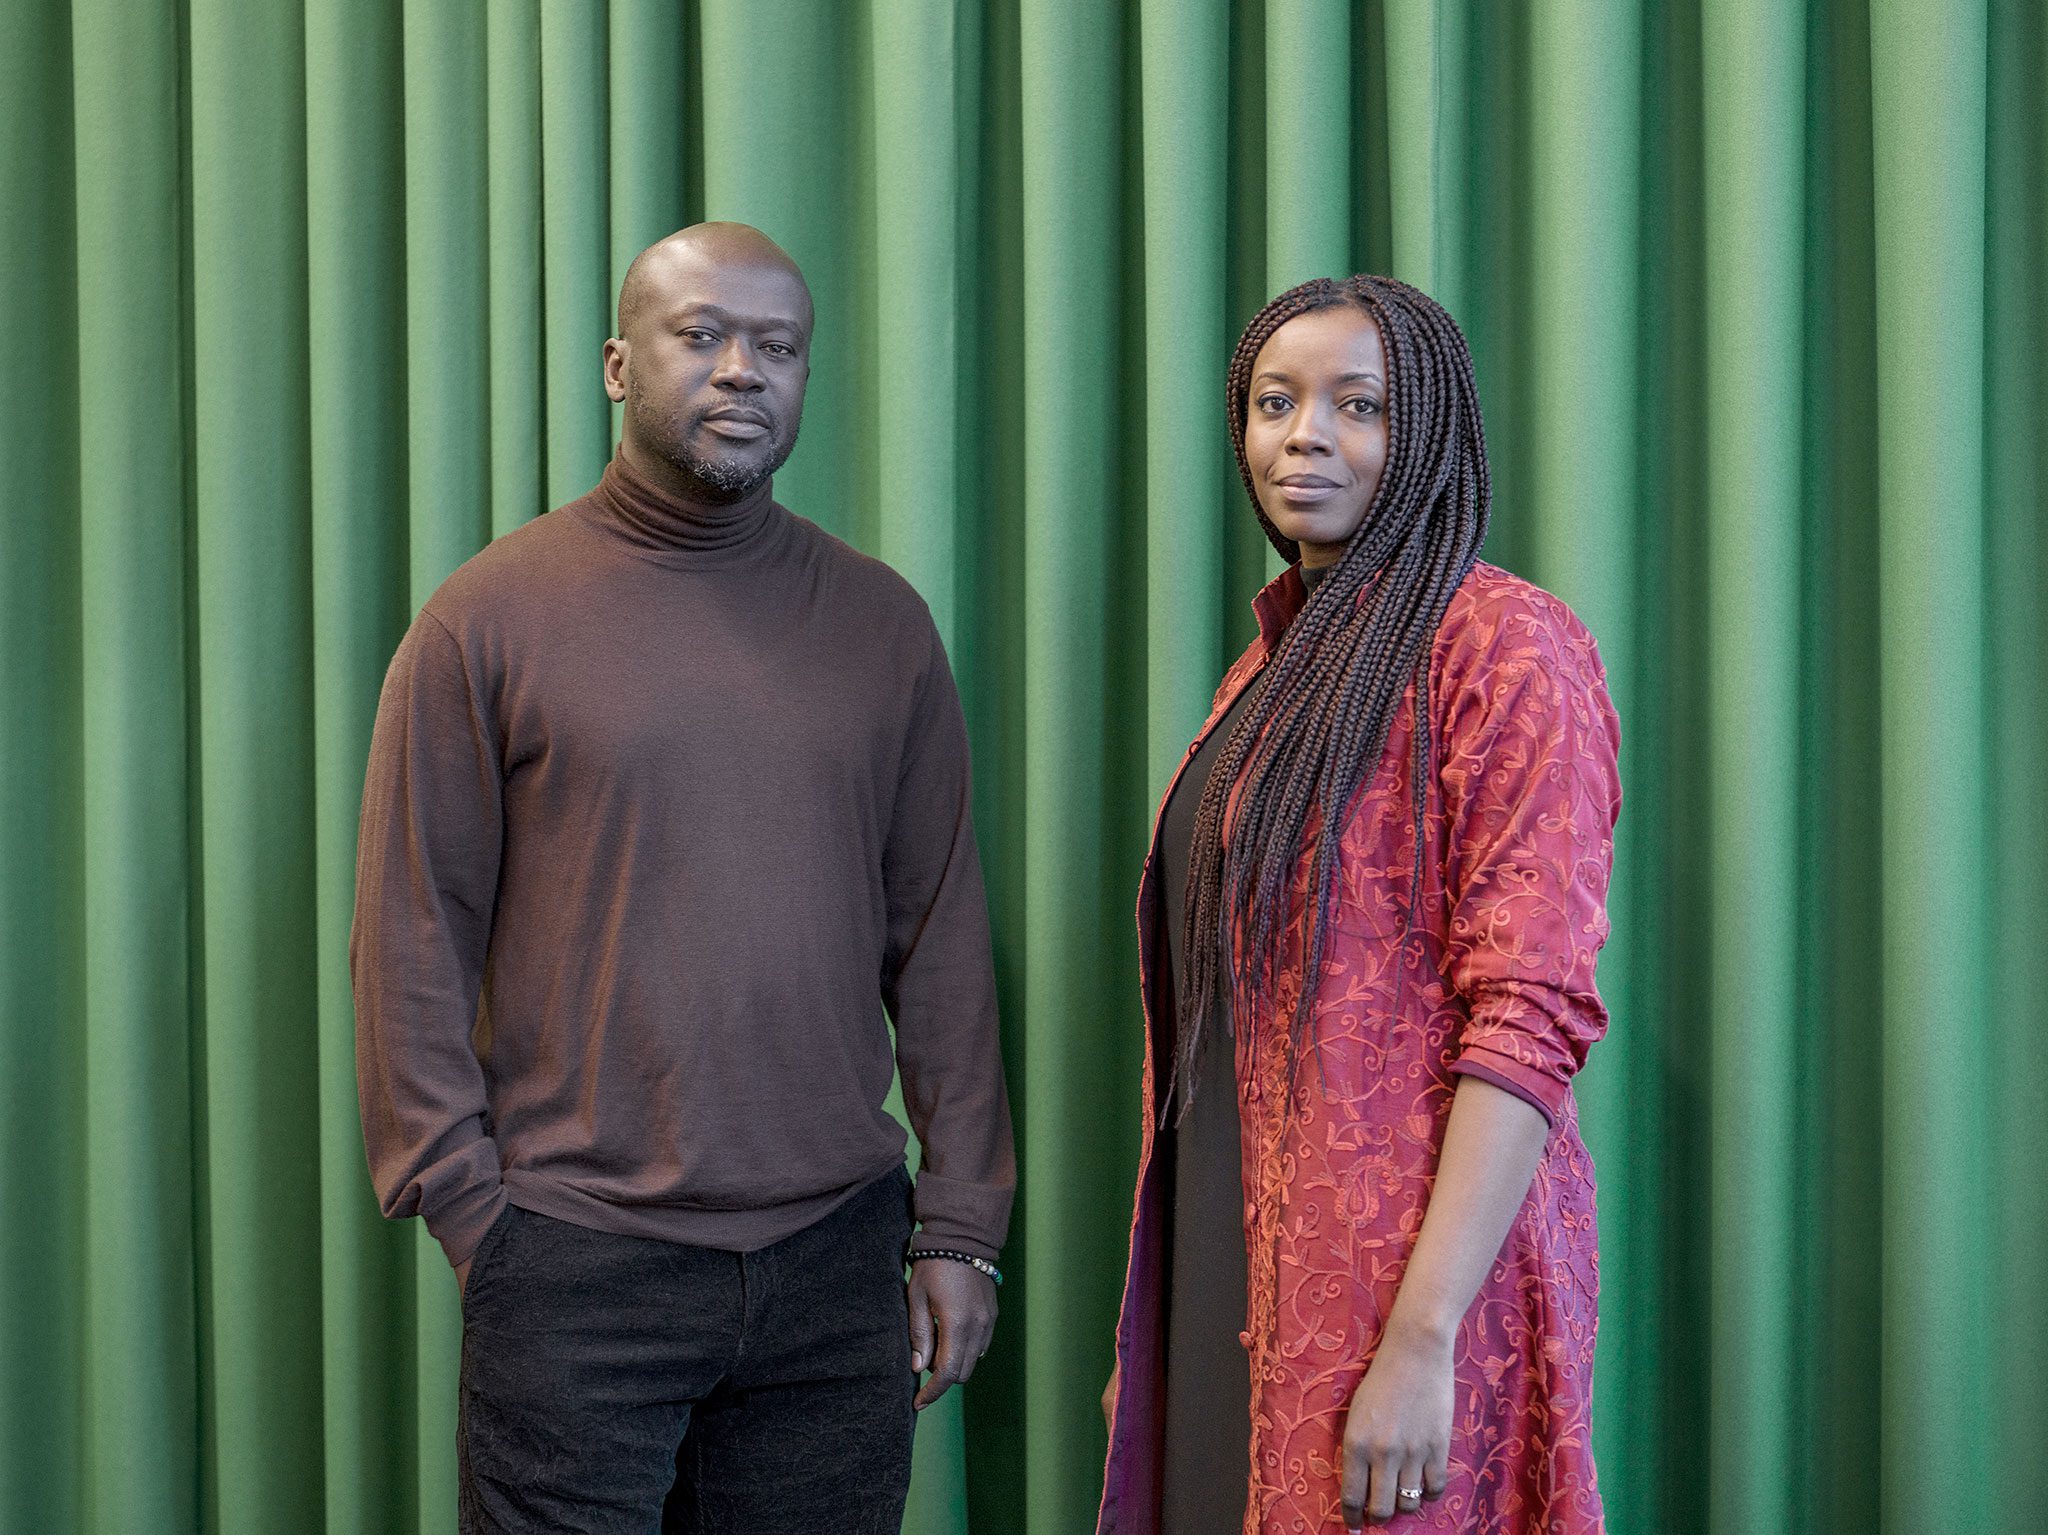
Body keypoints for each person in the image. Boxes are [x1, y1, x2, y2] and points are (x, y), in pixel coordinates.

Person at [352, 221, 1013, 1534]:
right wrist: (477, 1219)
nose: (741, 370)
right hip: (575, 1257)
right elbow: (411, 938)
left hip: (836, 1262)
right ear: (618, 363)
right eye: (700, 334)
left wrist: (959, 1223)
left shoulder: (882, 623)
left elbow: (940, 937)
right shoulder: (485, 620)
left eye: (778, 345)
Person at [1097, 276, 1621, 1533]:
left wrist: (1422, 1336)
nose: (1304, 436)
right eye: (1274, 402)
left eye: (1358, 405)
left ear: (1427, 427)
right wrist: (1167, 1326)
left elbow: (1528, 1016)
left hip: (1400, 1296)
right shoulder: (1271, 664)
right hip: (1239, 1278)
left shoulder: (1506, 646)